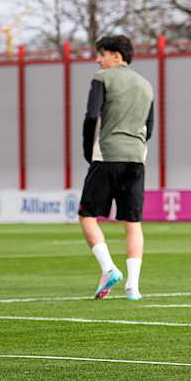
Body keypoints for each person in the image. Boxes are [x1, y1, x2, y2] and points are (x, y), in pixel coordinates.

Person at [79, 35, 155, 301]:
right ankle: (133, 287)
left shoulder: (102, 79)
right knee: (133, 223)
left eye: (102, 54)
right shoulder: (146, 85)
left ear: (117, 56)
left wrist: (88, 149)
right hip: (137, 157)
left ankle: (108, 268)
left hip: (107, 154)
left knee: (87, 216)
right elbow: (150, 126)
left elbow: (91, 116)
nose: (98, 60)